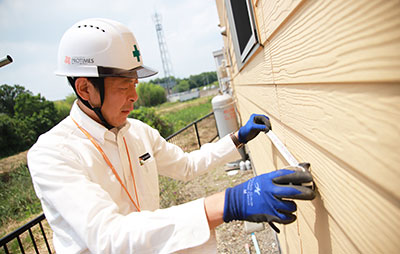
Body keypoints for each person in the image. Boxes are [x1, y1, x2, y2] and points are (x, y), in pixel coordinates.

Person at [27, 18, 315, 254]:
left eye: (135, 84)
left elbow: (187, 166)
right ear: (85, 89)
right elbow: (109, 237)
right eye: (123, 86)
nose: (134, 97)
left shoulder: (137, 132)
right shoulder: (53, 154)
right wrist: (231, 203)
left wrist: (237, 138)